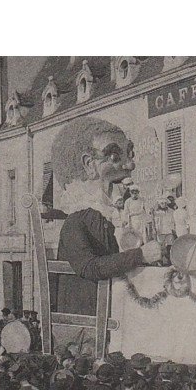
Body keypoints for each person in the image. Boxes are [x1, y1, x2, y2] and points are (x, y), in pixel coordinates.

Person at [52, 117, 162, 315]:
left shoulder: (112, 215)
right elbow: (90, 267)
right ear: (89, 165)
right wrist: (141, 255)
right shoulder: (76, 221)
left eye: (130, 154)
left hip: (120, 306)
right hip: (90, 319)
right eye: (114, 156)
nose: (130, 165)